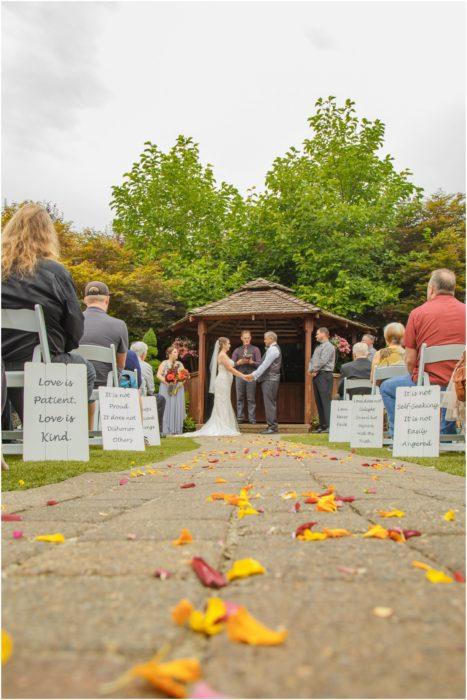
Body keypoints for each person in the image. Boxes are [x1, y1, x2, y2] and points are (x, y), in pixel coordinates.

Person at [1, 204, 96, 429]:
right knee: (85, 369)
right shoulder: (55, 273)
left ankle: (5, 432)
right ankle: (61, 432)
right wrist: (62, 348)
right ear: (47, 235)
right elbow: (74, 326)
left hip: (2, 363)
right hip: (42, 362)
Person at [380, 269, 466, 437]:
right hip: (462, 384)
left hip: (430, 382)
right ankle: (446, 434)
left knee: (387, 388)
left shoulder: (418, 313)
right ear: (453, 289)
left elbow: (410, 361)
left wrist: (418, 383)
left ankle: (399, 436)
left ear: (431, 288)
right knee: (450, 386)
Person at [184, 337, 248, 437]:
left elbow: (231, 366)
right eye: (228, 343)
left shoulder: (225, 355)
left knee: (224, 402)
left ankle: (225, 425)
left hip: (226, 382)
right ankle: (222, 426)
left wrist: (237, 363)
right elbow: (230, 369)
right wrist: (244, 376)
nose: (230, 345)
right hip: (222, 382)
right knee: (221, 403)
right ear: (223, 344)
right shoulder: (222, 355)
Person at [246, 331, 282, 434]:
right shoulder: (272, 349)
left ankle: (272, 427)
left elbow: (264, 365)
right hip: (270, 379)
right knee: (270, 403)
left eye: (265, 338)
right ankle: (271, 426)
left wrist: (253, 375)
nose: (264, 340)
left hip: (270, 379)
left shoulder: (273, 349)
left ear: (271, 339)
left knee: (269, 403)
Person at [308, 327, 336, 433]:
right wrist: (310, 370)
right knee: (318, 401)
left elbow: (323, 361)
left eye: (317, 334)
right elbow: (313, 360)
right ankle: (322, 425)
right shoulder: (318, 347)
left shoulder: (329, 346)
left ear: (324, 334)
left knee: (325, 401)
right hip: (317, 375)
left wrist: (312, 369)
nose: (316, 336)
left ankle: (329, 426)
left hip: (325, 375)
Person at [231, 330, 261, 424]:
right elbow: (231, 364)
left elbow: (260, 364)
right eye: (245, 338)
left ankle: (252, 419)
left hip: (251, 376)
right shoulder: (237, 350)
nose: (246, 339)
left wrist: (253, 362)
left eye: (248, 338)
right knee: (239, 397)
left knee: (251, 398)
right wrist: (238, 362)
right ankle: (240, 418)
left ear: (250, 338)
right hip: (239, 376)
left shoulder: (255, 349)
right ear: (241, 338)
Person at [157, 346, 187, 435]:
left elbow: (184, 376)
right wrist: (167, 382)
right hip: (166, 388)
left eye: (177, 352)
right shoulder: (164, 363)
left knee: (176, 407)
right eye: (175, 352)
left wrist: (179, 384)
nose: (177, 353)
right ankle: (165, 430)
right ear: (169, 354)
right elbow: (158, 375)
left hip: (177, 389)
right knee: (166, 407)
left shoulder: (180, 364)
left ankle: (176, 430)